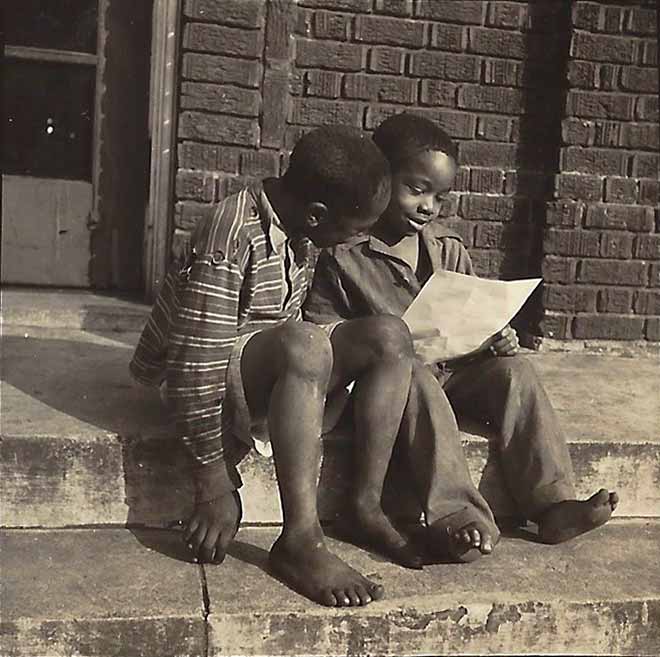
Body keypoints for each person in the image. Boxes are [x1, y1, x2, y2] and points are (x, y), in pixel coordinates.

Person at [130, 125, 428, 609]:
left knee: (391, 335)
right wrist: (213, 479)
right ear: (317, 216)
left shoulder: (303, 226)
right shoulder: (230, 231)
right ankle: (300, 540)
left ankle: (364, 504)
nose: (352, 243)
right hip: (206, 367)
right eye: (353, 231)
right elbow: (192, 366)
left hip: (269, 361)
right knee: (306, 345)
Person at [303, 112, 619, 558]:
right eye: (416, 189)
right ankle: (456, 515)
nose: (428, 206)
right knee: (414, 373)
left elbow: (471, 315)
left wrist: (496, 338)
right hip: (392, 393)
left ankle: (551, 504)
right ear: (380, 178)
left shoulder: (448, 247)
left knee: (516, 373)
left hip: (452, 371)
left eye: (439, 196)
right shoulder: (344, 256)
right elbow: (324, 335)